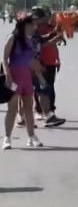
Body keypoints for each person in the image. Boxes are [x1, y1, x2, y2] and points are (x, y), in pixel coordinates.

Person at [3, 16, 44, 149]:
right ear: (25, 25)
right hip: (14, 76)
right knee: (12, 109)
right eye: (33, 25)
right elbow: (4, 59)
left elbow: (30, 61)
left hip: (26, 77)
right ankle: (7, 138)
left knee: (28, 108)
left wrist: (40, 77)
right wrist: (8, 76)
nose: (35, 27)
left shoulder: (29, 41)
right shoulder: (12, 38)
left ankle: (31, 136)